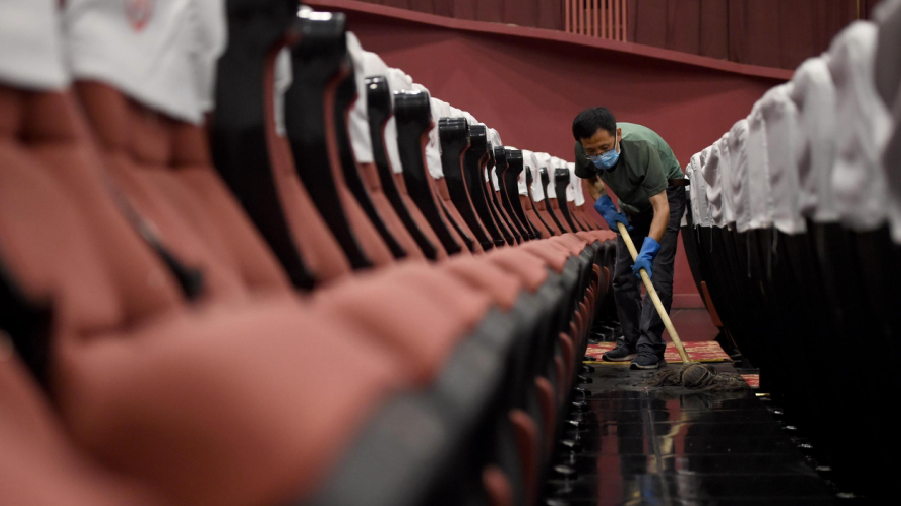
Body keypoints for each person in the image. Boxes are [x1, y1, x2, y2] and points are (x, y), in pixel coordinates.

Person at [573, 107, 686, 369]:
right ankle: (632, 341)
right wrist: (605, 206)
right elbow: (591, 180)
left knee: (657, 274)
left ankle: (651, 346)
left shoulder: (641, 147)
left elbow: (661, 207)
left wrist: (650, 248)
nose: (599, 155)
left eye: (605, 148)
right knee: (623, 276)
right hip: (631, 203)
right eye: (592, 151)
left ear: (618, 135)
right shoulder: (583, 148)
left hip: (667, 195)